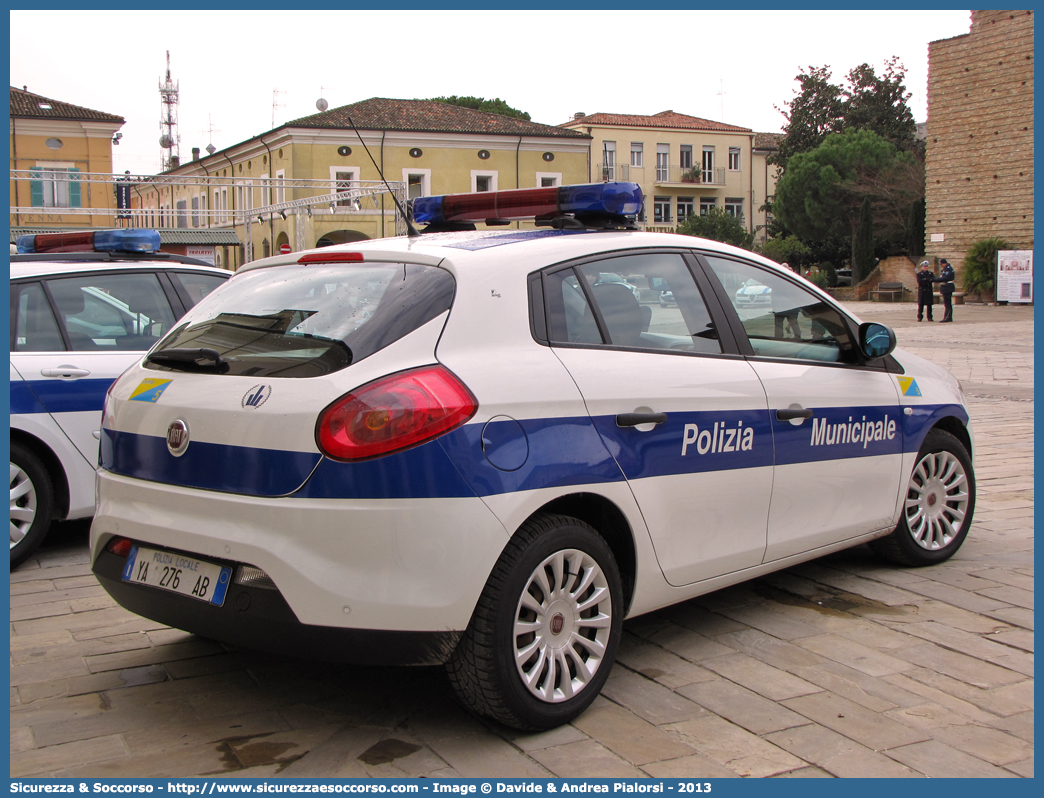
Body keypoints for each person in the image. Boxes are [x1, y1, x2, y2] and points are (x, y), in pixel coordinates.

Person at [935, 258, 956, 322]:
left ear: (944, 263)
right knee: (946, 303)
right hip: (945, 287)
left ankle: (948, 317)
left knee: (948, 303)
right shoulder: (945, 269)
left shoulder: (948, 269)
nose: (941, 266)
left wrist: (935, 280)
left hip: (948, 286)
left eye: (941, 264)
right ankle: (947, 316)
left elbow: (946, 277)